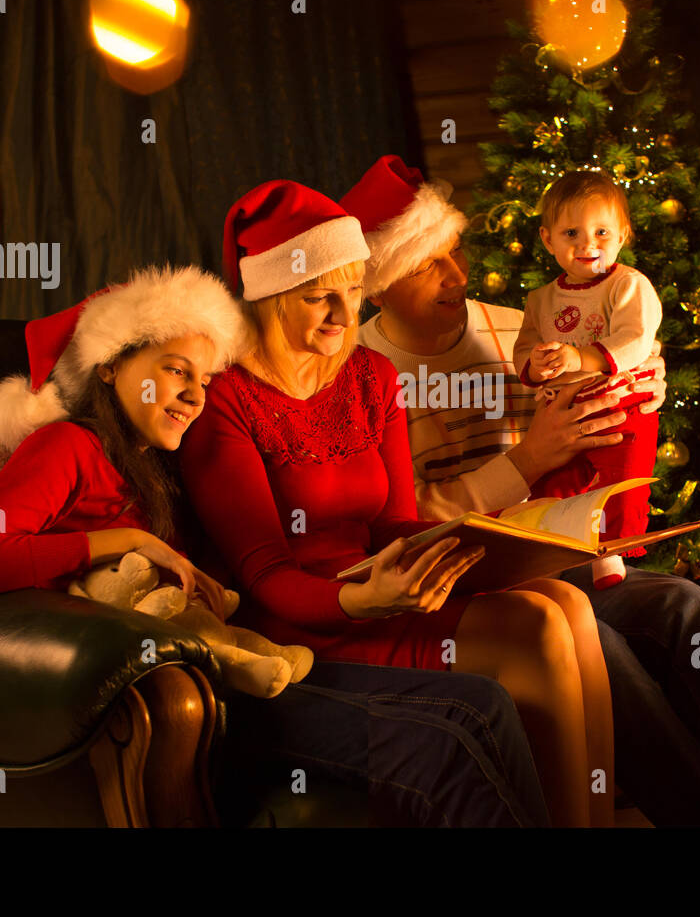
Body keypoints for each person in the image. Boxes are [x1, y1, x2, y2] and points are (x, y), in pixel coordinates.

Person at [0, 263, 550, 827]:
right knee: (442, 737)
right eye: (174, 371)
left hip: (243, 661)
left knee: (484, 704)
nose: (195, 395)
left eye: (205, 378)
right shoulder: (68, 448)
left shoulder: (165, 461)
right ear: (109, 367)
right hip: (191, 699)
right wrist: (114, 541)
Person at [345, 155, 700, 826]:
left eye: (456, 252)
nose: (458, 275)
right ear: (378, 285)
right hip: (476, 586)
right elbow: (405, 519)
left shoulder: (514, 328)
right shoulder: (369, 377)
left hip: (563, 553)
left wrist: (639, 387)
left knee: (683, 604)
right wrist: (525, 460)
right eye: (431, 262)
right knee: (602, 652)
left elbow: (606, 370)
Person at [179, 180, 615, 826]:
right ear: (270, 297)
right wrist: (358, 600)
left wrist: (496, 544)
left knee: (568, 600)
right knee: (537, 627)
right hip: (310, 618)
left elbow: (392, 522)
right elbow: (265, 575)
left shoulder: (369, 375)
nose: (341, 314)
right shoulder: (226, 402)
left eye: (353, 292)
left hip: (391, 582)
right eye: (317, 296)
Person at [513, 170, 662, 589]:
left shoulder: (628, 285)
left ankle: (610, 554)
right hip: (562, 409)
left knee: (623, 481)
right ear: (548, 239)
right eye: (571, 233)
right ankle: (552, 552)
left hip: (622, 404)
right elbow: (525, 344)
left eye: (601, 231)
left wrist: (581, 356)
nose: (587, 244)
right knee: (554, 484)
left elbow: (636, 339)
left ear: (622, 235)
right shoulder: (540, 299)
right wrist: (535, 365)